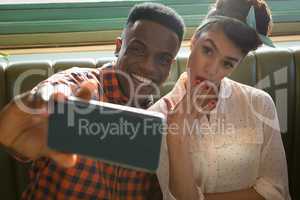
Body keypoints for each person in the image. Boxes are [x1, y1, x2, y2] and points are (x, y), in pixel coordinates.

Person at [0, 3, 184, 199]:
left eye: (162, 59)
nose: (148, 67)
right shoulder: (81, 85)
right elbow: (58, 90)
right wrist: (44, 107)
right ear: (118, 47)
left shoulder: (161, 123)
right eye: (138, 50)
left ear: (170, 67)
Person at [150, 0, 291, 199]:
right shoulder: (157, 117)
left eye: (227, 63)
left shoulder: (260, 104)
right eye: (208, 50)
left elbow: (275, 191)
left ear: (238, 64)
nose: (212, 70)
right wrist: (176, 135)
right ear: (194, 39)